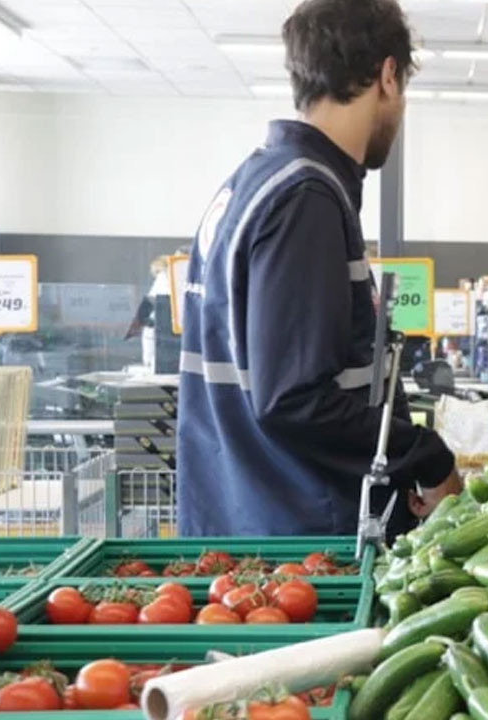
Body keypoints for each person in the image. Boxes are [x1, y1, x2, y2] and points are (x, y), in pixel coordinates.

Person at [176, 0, 459, 538]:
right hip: (298, 536)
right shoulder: (306, 196)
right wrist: (425, 454)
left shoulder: (257, 179)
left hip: (246, 515)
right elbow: (296, 399)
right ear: (388, 76)